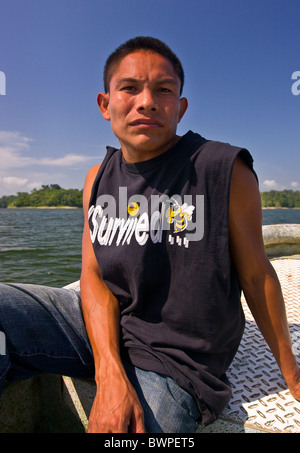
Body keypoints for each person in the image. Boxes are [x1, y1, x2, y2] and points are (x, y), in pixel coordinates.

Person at [0, 36, 299, 434]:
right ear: (105, 105)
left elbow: (257, 275)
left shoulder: (223, 169)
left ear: (181, 107)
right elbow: (94, 276)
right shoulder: (97, 178)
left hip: (178, 356)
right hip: (99, 326)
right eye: (129, 88)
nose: (147, 101)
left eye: (164, 90)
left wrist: (291, 373)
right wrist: (109, 373)